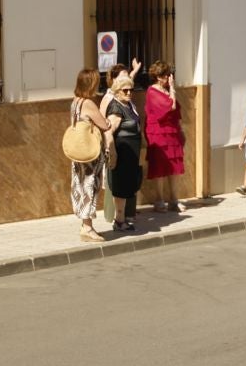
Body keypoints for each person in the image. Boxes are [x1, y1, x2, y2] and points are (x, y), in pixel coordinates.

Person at [69, 68, 119, 243]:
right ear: (91, 84)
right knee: (90, 187)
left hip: (79, 153)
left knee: (80, 187)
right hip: (90, 155)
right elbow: (104, 125)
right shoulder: (88, 104)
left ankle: (85, 225)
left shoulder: (75, 101)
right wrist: (110, 121)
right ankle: (87, 228)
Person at [141, 61, 187, 213]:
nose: (168, 78)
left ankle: (174, 200)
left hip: (172, 132)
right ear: (158, 77)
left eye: (168, 74)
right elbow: (170, 106)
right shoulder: (152, 92)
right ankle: (159, 200)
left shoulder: (167, 90)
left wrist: (180, 129)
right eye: (165, 75)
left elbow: (177, 111)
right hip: (158, 132)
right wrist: (173, 88)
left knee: (174, 165)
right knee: (159, 166)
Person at [104, 71, 144, 233]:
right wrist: (112, 152)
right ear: (117, 91)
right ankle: (119, 221)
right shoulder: (116, 107)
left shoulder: (128, 105)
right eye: (124, 90)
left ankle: (122, 219)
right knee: (120, 188)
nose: (129, 93)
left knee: (127, 186)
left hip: (131, 153)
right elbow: (109, 131)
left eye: (130, 90)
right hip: (122, 154)